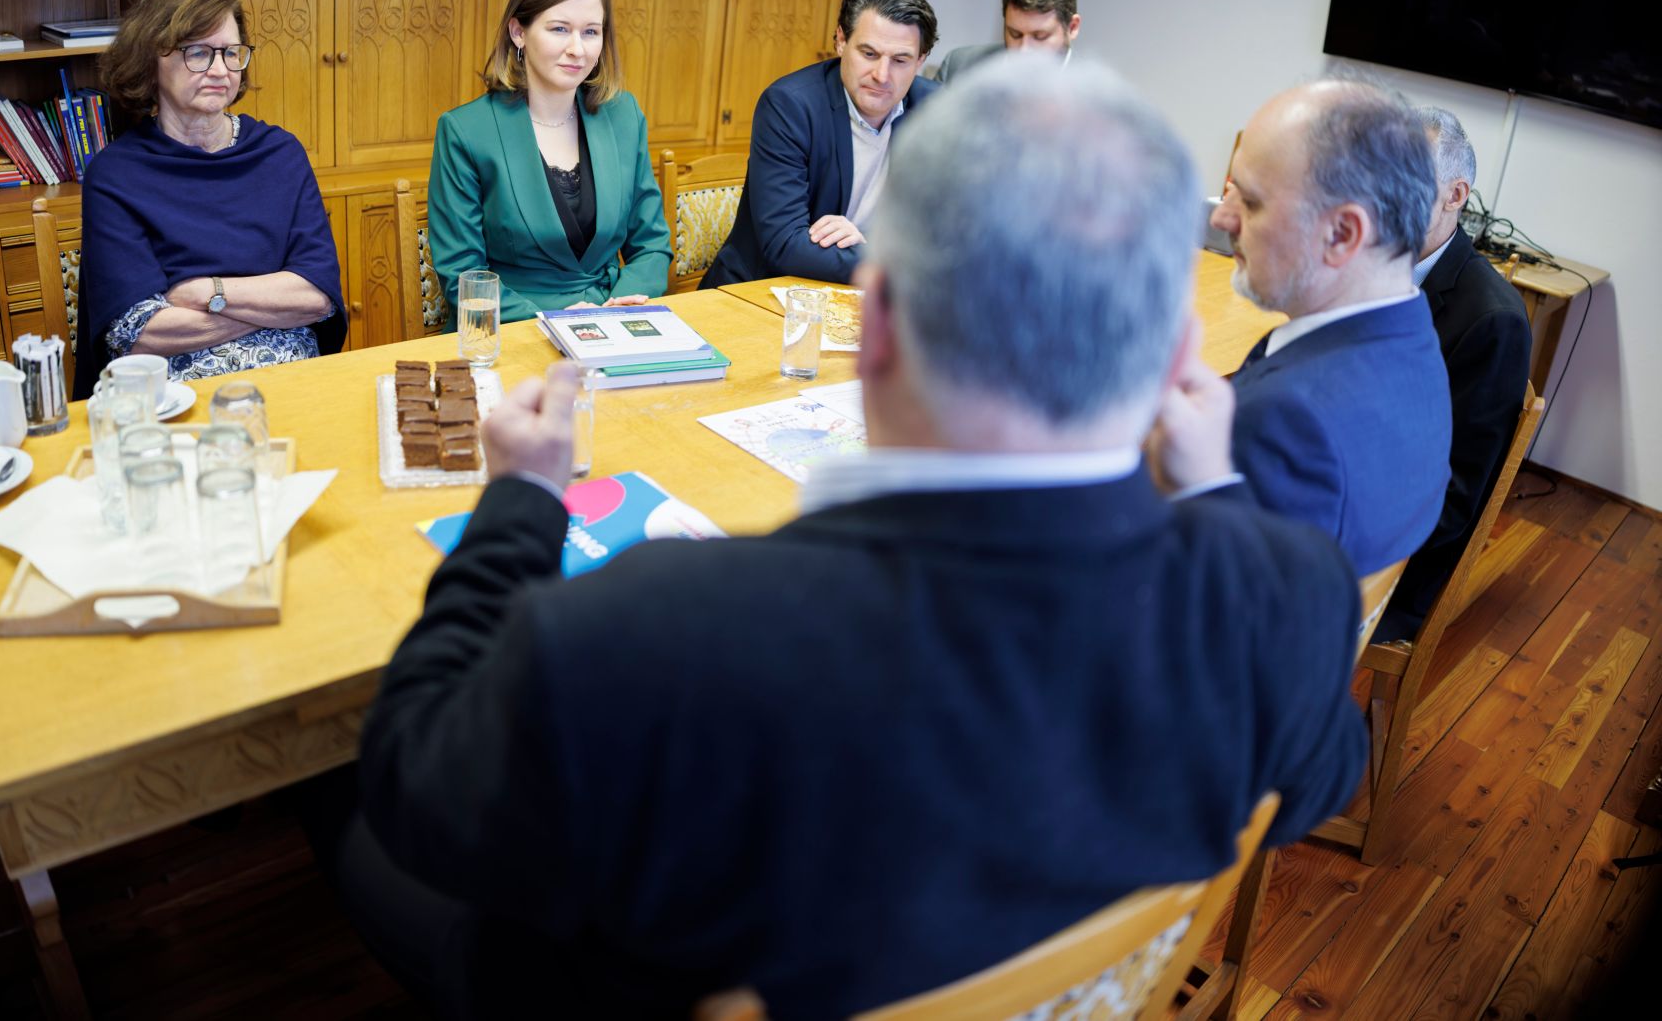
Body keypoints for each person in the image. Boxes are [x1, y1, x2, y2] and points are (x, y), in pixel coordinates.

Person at [317, 58, 1368, 1018]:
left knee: (347, 805)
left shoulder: (654, 632)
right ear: (1178, 352)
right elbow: (1316, 781)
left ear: (874, 324)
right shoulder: (1288, 590)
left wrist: (517, 506)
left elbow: (417, 783)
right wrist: (1214, 498)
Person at [1153, 79, 1452, 576]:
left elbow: (1210, 591)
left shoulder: (1287, 423)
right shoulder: (1415, 345)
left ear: (1342, 234)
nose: (1221, 218)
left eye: (1250, 202)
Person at [75, 0, 345, 399]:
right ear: (150, 59)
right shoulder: (116, 176)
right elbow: (139, 333)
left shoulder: (280, 155)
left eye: (231, 53)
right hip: (172, 400)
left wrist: (208, 292)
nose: (220, 70)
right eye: (199, 52)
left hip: (293, 385)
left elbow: (316, 299)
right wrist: (272, 309)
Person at [426, 0, 671, 325]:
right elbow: (464, 276)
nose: (578, 49)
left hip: (613, 321)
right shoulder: (465, 131)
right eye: (559, 29)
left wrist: (619, 307)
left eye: (591, 32)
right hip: (516, 328)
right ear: (518, 32)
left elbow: (652, 246)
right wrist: (551, 319)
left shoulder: (624, 116)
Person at [1377, 107, 1531, 641]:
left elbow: (1452, 500)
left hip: (1390, 561)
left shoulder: (1493, 321)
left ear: (1455, 195)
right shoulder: (1372, 263)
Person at [698, 0, 939, 288]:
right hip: (762, 291)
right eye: (869, 53)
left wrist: (870, 248)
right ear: (841, 41)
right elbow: (785, 243)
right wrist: (884, 262)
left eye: (900, 60)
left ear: (920, 60)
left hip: (865, 294)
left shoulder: (938, 110)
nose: (881, 75)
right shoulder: (790, 106)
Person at [936, 0, 1080, 85]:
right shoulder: (959, 66)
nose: (1024, 50)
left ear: (1072, 27)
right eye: (1015, 34)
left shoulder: (1090, 95)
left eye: (1039, 36)